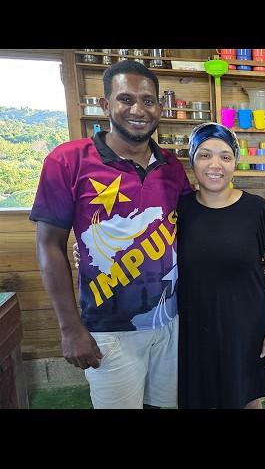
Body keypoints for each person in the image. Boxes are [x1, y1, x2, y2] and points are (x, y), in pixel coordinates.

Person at [31, 60, 192, 409]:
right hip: (108, 330)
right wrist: (69, 328)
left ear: (158, 107)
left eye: (148, 100)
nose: (138, 109)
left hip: (170, 322)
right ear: (106, 105)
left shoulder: (172, 166)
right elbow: (48, 246)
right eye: (125, 99)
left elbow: (190, 230)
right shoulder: (67, 160)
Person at [177, 122, 265, 409]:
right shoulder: (179, 210)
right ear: (192, 161)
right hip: (194, 328)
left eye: (225, 156)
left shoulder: (259, 210)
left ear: (235, 163)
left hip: (247, 328)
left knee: (247, 400)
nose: (215, 164)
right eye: (205, 155)